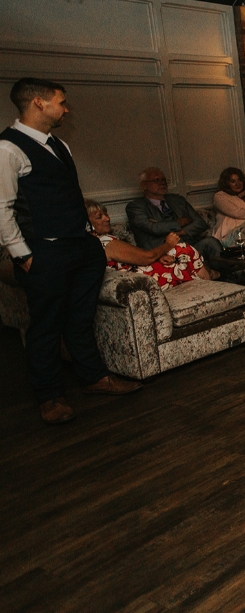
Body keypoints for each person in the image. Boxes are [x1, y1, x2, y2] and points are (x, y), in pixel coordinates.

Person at [1, 78, 141, 424]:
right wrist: (23, 255)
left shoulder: (59, 145)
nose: (66, 109)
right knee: (45, 325)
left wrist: (90, 237)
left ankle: (94, 378)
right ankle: (49, 397)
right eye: (61, 102)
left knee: (80, 318)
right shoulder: (8, 149)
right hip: (45, 252)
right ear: (38, 102)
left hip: (82, 248)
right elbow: (2, 209)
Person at [87, 199, 212, 287]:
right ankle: (211, 286)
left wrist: (159, 257)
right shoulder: (105, 243)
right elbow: (147, 257)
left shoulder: (94, 242)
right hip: (141, 282)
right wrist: (168, 245)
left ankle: (210, 281)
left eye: (106, 214)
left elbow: (136, 257)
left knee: (180, 256)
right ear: (87, 224)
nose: (107, 218)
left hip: (139, 275)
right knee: (182, 249)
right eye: (99, 217)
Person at [128, 167, 224, 272]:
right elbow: (153, 228)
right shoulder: (135, 207)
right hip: (163, 252)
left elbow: (200, 223)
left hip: (190, 245)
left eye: (163, 180)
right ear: (144, 185)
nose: (162, 183)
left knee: (211, 242)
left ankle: (227, 278)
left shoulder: (177, 199)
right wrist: (179, 222)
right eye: (156, 180)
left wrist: (180, 232)